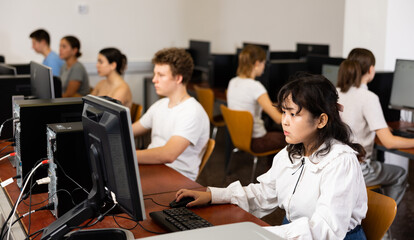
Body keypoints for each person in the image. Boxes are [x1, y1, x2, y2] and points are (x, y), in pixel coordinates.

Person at [176, 73, 368, 239]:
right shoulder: (292, 152)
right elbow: (264, 194)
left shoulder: (340, 161)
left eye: (293, 114)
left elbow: (324, 230)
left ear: (321, 120)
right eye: (283, 112)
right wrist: (212, 195)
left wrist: (266, 234)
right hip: (291, 232)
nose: (284, 121)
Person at [337, 48, 414, 205]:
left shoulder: (336, 92)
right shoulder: (368, 97)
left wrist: (382, 127)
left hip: (336, 168)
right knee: (400, 174)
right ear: (371, 70)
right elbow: (389, 142)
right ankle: (381, 223)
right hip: (358, 170)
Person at [132, 48, 209, 181]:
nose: (154, 80)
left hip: (176, 179)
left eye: (161, 75)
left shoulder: (192, 111)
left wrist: (126, 156)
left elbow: (168, 154)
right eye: (154, 74)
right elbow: (130, 131)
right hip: (155, 168)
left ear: (178, 78)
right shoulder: (160, 105)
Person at [227, 45, 285, 153]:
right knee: (290, 139)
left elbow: (251, 105)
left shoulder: (233, 82)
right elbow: (277, 119)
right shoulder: (256, 87)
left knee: (273, 131)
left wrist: (275, 106)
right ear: (257, 63)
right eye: (264, 63)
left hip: (239, 137)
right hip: (257, 140)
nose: (264, 67)